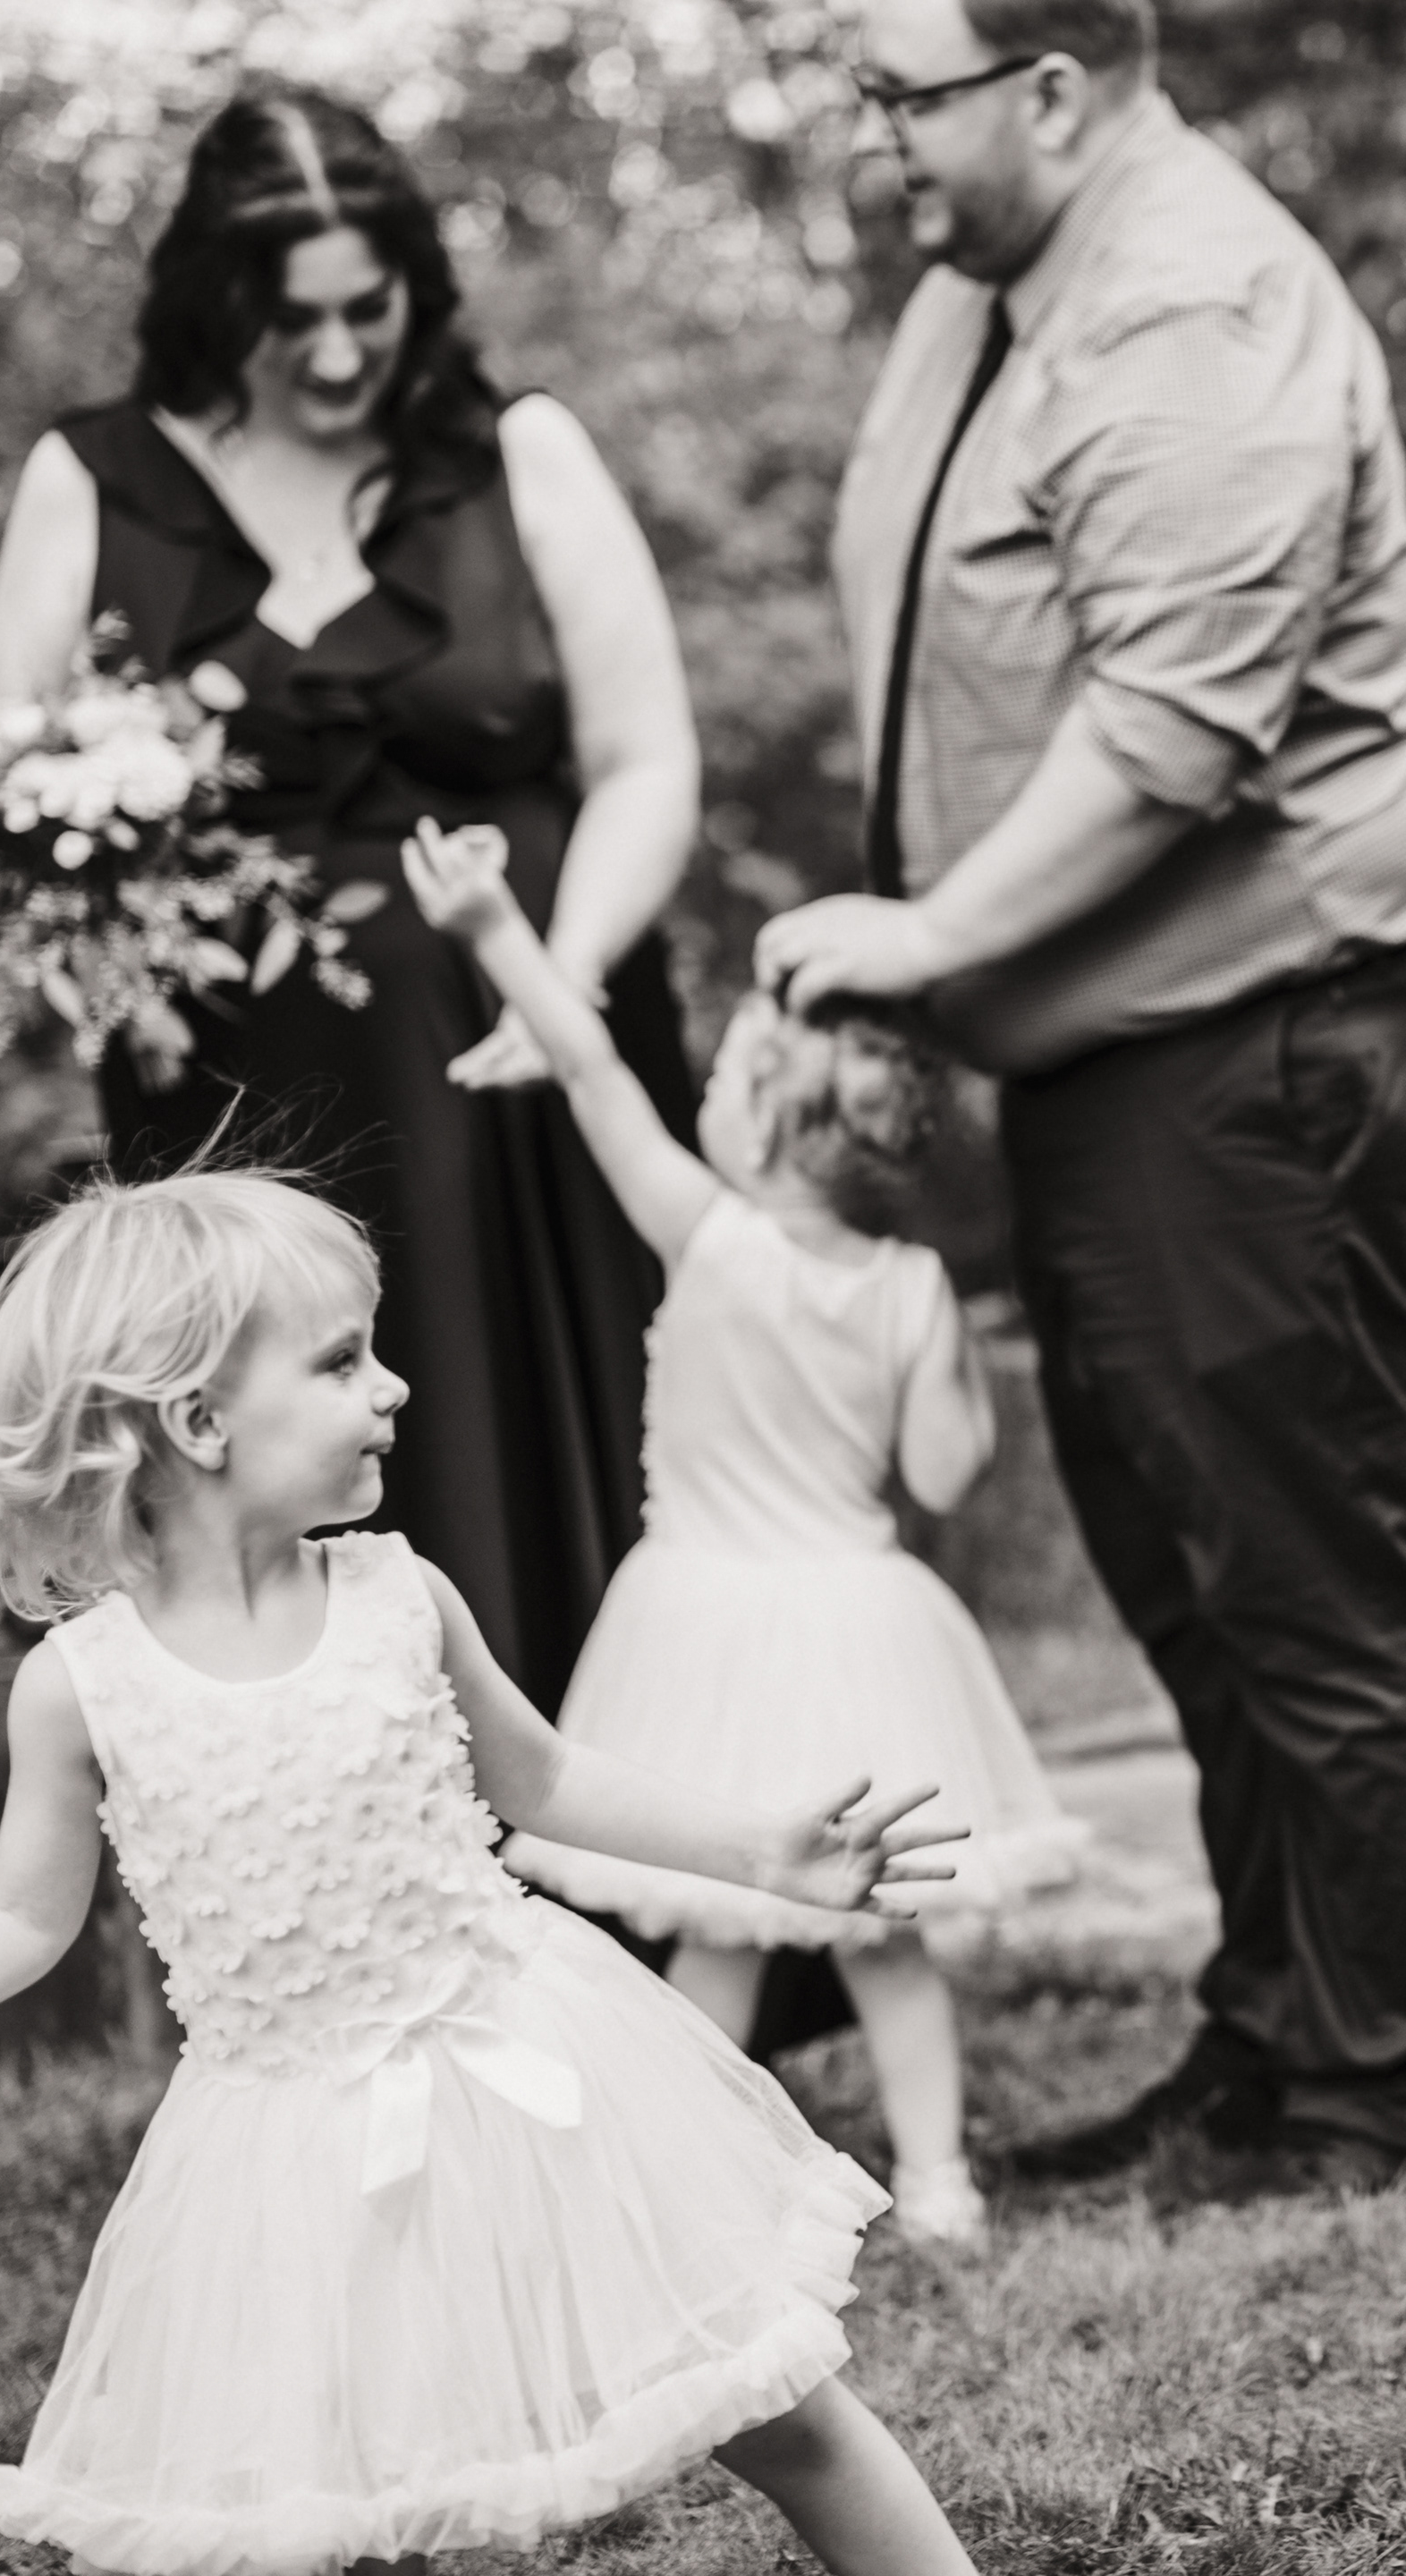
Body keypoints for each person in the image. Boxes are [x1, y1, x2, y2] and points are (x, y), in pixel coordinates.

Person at [0, 1171, 977, 2576]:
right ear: (198, 1421)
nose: (392, 1387)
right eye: (341, 1362)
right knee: (319, 2502)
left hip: (532, 2066)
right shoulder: (81, 1686)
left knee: (777, 2401)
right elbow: (18, 1915)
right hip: (293, 2148)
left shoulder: (399, 1596)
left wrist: (768, 1854)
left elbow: (544, 1780)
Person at [756, 0, 1406, 2190]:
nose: (874, 141)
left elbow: (1172, 726)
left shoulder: (1188, 303)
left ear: (1051, 87)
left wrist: (933, 936)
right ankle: (1282, 2030)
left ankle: (1372, 2083)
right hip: (1118, 1054)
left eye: (902, 96)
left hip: (1255, 1047)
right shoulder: (997, 283)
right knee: (1200, 1591)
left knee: (1312, 1585)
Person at [0, 83, 700, 1721]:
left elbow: (646, 755)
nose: (331, 353)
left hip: (527, 1065)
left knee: (571, 1444)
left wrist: (564, 982)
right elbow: (9, 810)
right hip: (235, 1104)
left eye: (365, 308)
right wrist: (99, 942)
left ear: (412, 285)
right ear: (210, 295)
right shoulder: (91, 479)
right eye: (286, 316)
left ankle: (622, 1829)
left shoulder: (518, 454)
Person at [404, 818, 1085, 2250]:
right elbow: (947, 1474)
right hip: (860, 1620)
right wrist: (947, 1347)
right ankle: (940, 2183)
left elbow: (587, 1070)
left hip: (707, 1621)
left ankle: (686, 2180)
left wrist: (490, 927)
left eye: (723, 1075)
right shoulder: (910, 1286)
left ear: (768, 1116)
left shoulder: (705, 1232)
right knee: (884, 1932)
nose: (705, 1088)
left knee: (717, 1921)